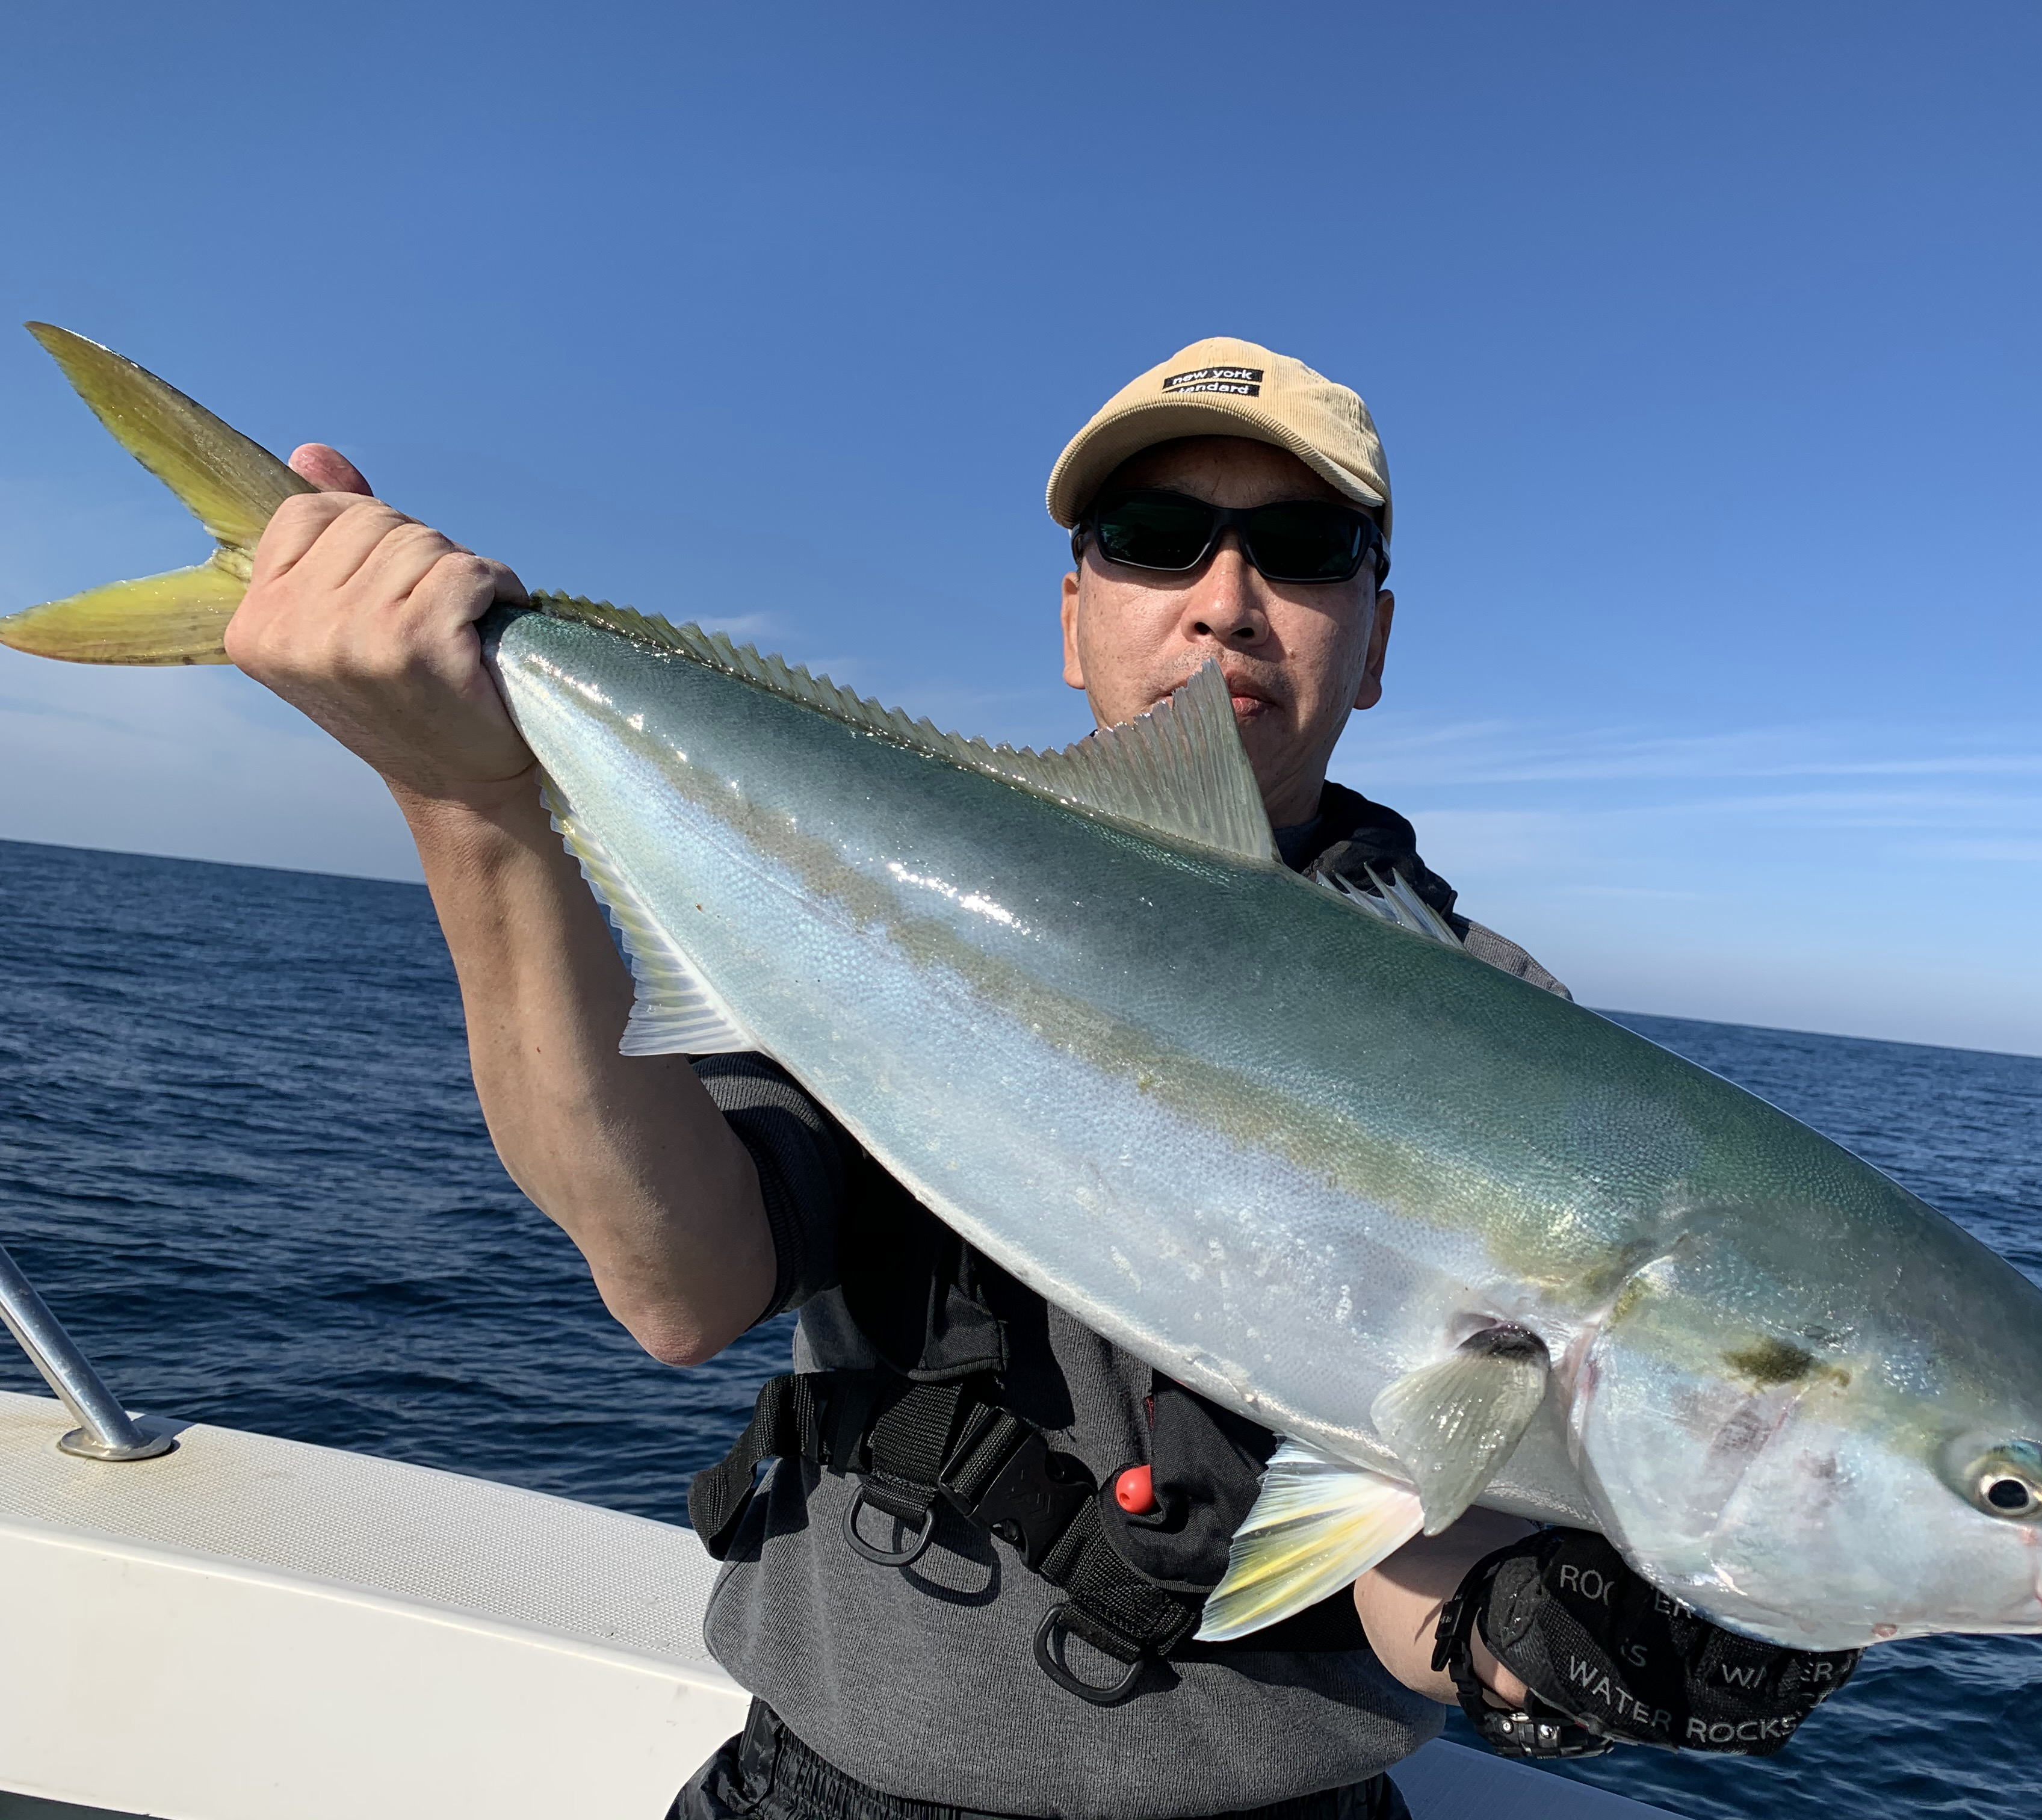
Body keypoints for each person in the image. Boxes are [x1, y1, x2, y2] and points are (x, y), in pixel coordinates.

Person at [227, 338, 1855, 1819]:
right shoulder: (885, 883)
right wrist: (466, 804)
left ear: (1374, 640)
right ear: (1074, 618)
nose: (1227, 600)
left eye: (1303, 550)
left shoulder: (1510, 1030)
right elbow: (679, 1288)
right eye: (1155, 538)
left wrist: (1531, 1634)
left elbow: (1409, 1540)